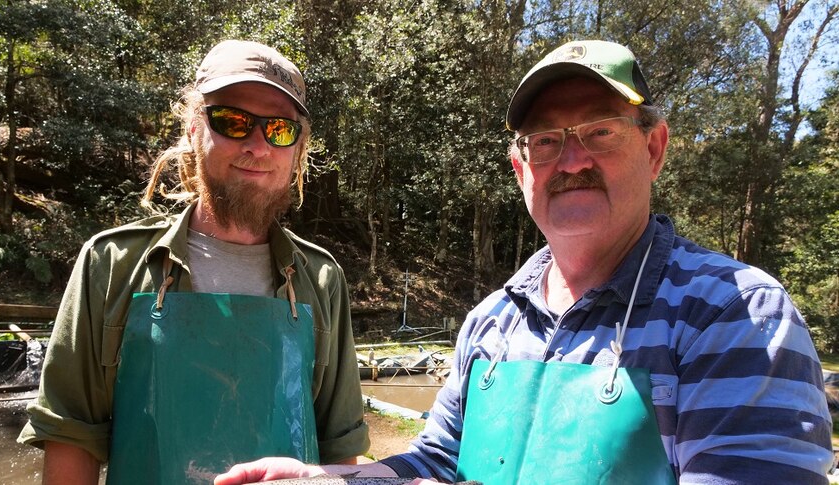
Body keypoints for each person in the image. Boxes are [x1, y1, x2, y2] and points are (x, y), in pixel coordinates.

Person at [214, 40, 834, 485]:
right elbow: (436, 462)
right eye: (546, 141)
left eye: (599, 132)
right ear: (520, 168)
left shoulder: (732, 312)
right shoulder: (491, 322)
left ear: (654, 146)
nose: (570, 162)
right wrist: (332, 481)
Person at [18, 40, 370, 485]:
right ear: (193, 128)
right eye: (234, 122)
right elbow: (69, 437)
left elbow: (341, 452)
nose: (258, 146)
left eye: (280, 129)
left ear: (298, 147)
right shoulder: (111, 264)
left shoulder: (321, 278)